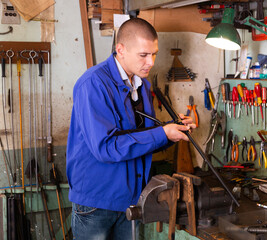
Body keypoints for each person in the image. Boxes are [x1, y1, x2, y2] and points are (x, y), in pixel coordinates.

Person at [66, 17, 195, 239]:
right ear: (120, 50)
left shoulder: (142, 85)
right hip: (97, 203)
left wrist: (171, 131)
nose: (151, 62)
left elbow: (141, 139)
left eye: (154, 54)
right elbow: (106, 148)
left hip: (131, 198)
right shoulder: (93, 84)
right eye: (143, 55)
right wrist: (161, 133)